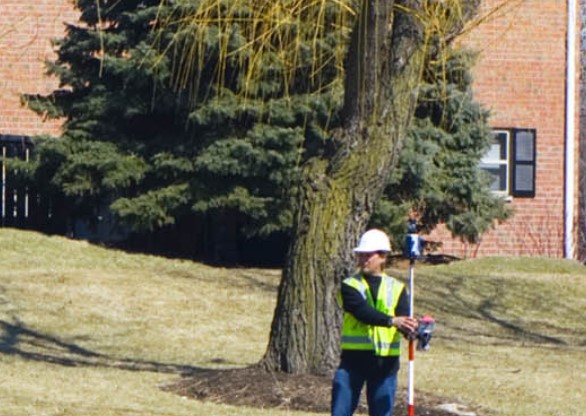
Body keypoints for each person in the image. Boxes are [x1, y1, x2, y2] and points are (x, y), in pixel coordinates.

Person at [331, 228, 418, 416]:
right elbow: (362, 312)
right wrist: (392, 321)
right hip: (353, 362)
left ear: (382, 256)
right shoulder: (350, 286)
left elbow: (403, 319)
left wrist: (412, 329)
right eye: (360, 255)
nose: (363, 259)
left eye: (367, 255)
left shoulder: (397, 288)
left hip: (385, 365)